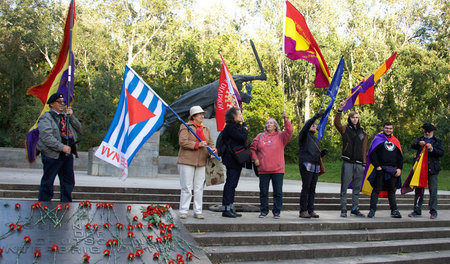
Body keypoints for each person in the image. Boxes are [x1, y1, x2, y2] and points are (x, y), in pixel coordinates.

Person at [37, 92, 82, 202]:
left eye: (63, 102)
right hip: (52, 154)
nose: (62, 104)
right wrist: (61, 147)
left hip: (67, 154)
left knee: (68, 181)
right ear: (52, 104)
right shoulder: (46, 118)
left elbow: (79, 129)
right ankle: (44, 204)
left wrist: (71, 117)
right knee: (48, 181)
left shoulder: (66, 117)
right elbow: (46, 137)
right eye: (59, 102)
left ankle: (66, 203)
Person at [250, 111, 293, 219]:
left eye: (271, 123)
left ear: (275, 126)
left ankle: (276, 211)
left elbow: (290, 131)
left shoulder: (281, 136)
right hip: (263, 169)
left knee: (277, 192)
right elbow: (252, 149)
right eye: (267, 123)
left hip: (277, 170)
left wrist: (285, 119)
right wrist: (255, 159)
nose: (268, 124)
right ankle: (264, 211)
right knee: (263, 192)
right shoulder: (260, 136)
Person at [177, 106, 215, 219]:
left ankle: (198, 211)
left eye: (203, 114)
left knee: (199, 188)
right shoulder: (185, 126)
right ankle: (183, 211)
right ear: (193, 116)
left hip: (202, 161)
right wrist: (197, 145)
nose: (202, 116)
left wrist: (213, 149)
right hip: (187, 161)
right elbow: (182, 142)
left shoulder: (206, 128)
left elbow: (211, 143)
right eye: (199, 114)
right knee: (187, 187)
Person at [334, 102, 368, 217]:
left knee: (357, 188)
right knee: (344, 186)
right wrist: (339, 109)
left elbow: (364, 149)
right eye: (353, 117)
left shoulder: (363, 133)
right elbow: (336, 123)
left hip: (359, 164)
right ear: (350, 118)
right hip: (348, 162)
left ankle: (355, 208)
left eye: (357, 117)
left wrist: (364, 164)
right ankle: (343, 209)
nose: (355, 119)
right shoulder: (345, 129)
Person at [408, 123, 444, 219]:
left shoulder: (437, 141)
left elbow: (441, 152)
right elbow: (412, 146)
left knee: (433, 190)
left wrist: (432, 148)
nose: (427, 133)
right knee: (418, 190)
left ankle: (433, 211)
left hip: (433, 169)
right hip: (420, 169)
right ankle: (416, 210)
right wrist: (418, 144)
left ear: (433, 132)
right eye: (425, 131)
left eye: (429, 132)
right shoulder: (420, 139)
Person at [367, 122, 403, 218]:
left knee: (391, 190)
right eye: (386, 128)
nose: (388, 130)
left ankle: (394, 210)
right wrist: (377, 166)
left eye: (390, 128)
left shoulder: (395, 141)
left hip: (392, 170)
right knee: (376, 190)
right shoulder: (377, 139)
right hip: (380, 169)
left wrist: (399, 168)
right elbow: (372, 153)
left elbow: (400, 156)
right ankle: (372, 210)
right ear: (383, 128)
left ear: (392, 129)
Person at [298, 113, 327, 219]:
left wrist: (322, 154)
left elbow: (316, 154)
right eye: (312, 124)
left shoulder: (315, 139)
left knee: (312, 189)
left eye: (315, 124)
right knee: (306, 188)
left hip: (315, 166)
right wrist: (315, 117)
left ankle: (311, 210)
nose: (314, 125)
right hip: (306, 164)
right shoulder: (304, 135)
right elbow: (306, 127)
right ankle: (303, 210)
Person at [221, 107, 248, 218]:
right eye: (239, 114)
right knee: (230, 184)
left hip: (237, 159)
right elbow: (242, 138)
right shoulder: (230, 127)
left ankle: (231, 207)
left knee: (233, 184)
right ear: (233, 116)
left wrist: (243, 129)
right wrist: (245, 130)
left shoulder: (236, 127)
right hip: (231, 159)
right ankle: (226, 209)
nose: (241, 116)